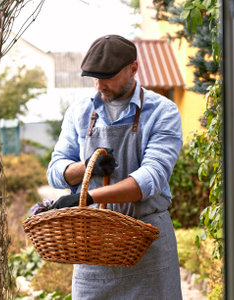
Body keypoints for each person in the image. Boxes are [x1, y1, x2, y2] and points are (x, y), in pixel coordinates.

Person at [46, 34, 183, 299]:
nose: (100, 85)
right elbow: (55, 171)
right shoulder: (79, 113)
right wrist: (87, 167)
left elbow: (150, 178)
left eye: (107, 76)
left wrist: (86, 197)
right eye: (95, 77)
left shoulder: (162, 112)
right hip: (93, 247)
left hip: (148, 245)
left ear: (133, 68)